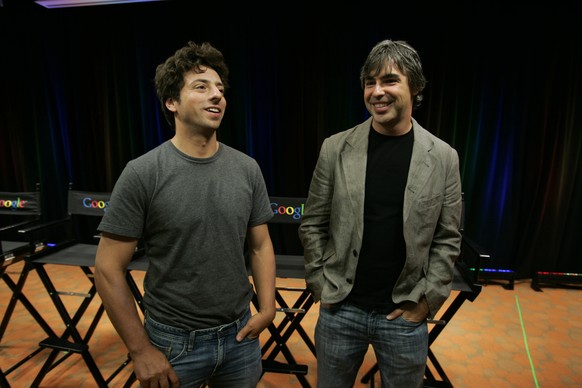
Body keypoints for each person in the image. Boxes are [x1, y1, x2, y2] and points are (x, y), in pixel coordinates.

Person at [94, 41, 276, 387]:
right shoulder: (143, 173)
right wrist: (140, 350)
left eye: (220, 88)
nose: (217, 96)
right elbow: (107, 268)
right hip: (173, 345)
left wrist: (267, 309)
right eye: (201, 87)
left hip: (240, 338)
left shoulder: (247, 168)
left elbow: (260, 246)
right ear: (172, 102)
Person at [298, 39, 463, 387]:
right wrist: (319, 284)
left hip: (404, 315)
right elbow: (312, 222)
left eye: (389, 80)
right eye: (370, 82)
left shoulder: (444, 158)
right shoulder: (336, 148)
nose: (377, 91)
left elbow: (448, 238)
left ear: (414, 87)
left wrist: (428, 301)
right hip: (341, 309)